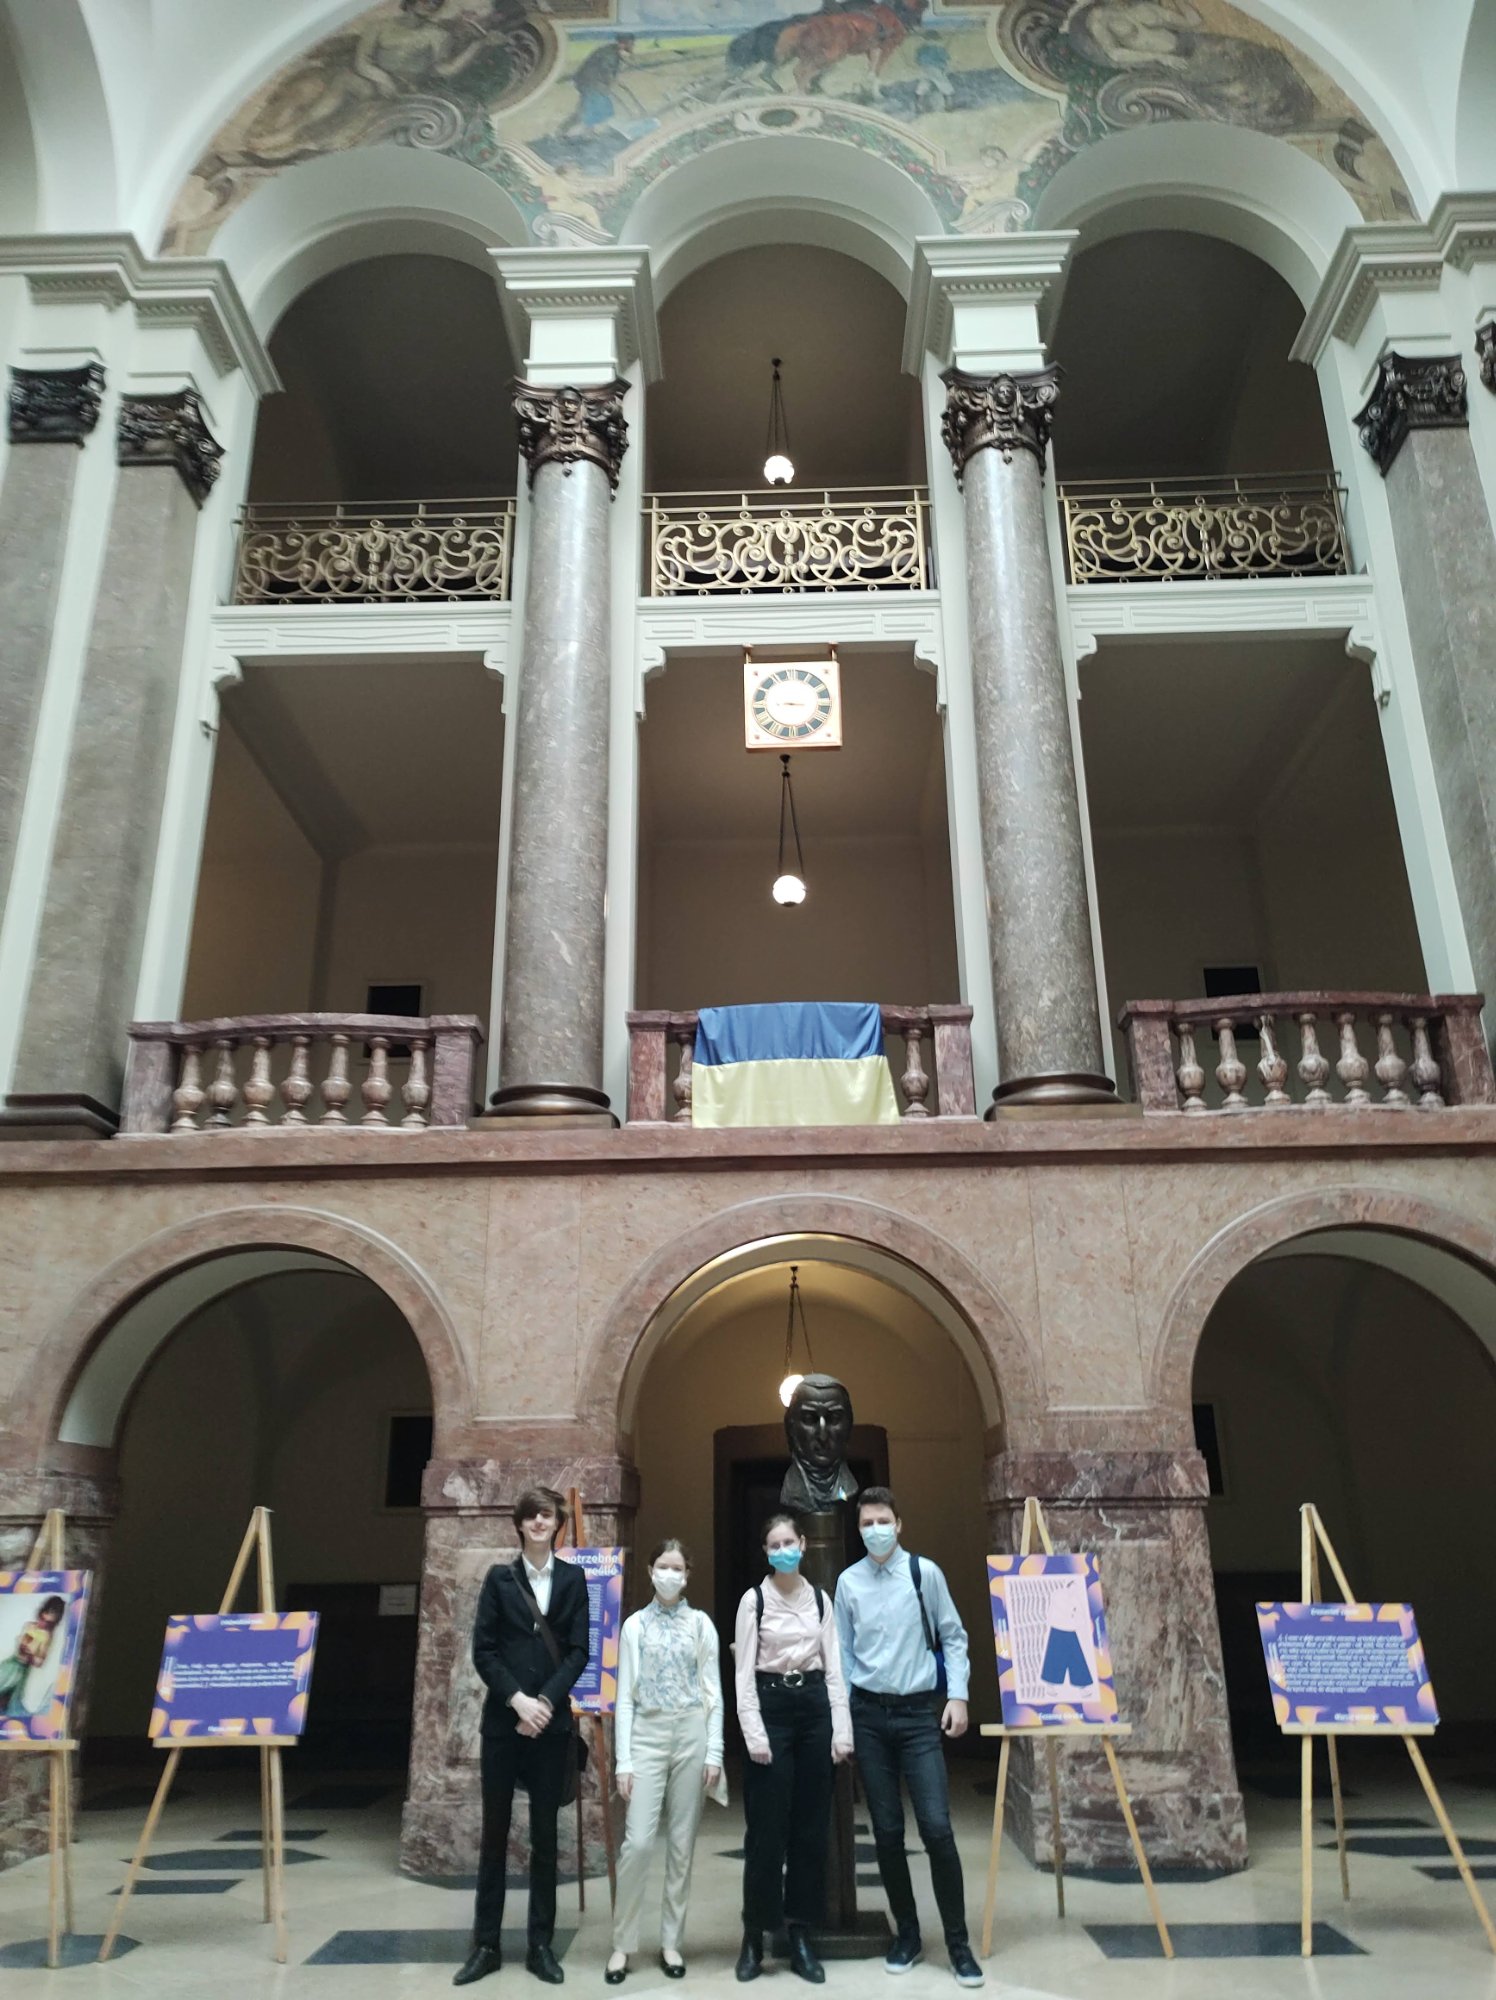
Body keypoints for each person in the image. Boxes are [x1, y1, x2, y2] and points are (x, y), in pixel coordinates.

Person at [834, 1488, 982, 1988]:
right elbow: (843, 1654)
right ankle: (909, 1934)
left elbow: (953, 1636)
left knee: (936, 1828)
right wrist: (845, 1720)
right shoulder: (848, 1582)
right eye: (866, 1523)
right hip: (869, 1717)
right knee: (887, 1832)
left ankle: (959, 1945)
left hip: (919, 1717)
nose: (875, 1530)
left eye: (883, 1521)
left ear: (899, 1524)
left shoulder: (924, 1574)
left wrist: (957, 1696)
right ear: (859, 1530)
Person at [457, 1488, 590, 1989]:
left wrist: (545, 1703)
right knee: (494, 1836)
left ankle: (540, 1945)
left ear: (557, 1524)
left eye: (547, 1515)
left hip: (550, 1726)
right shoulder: (499, 1579)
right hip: (503, 1724)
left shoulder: (573, 1579)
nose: (538, 1522)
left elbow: (579, 1650)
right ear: (519, 1524)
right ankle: (486, 1945)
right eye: (531, 1515)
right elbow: (484, 1650)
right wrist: (518, 1701)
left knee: (545, 1839)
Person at [734, 1513, 853, 1986]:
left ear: (803, 1545)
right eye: (774, 1544)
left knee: (810, 1829)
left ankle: (800, 1931)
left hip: (815, 1709)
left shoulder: (820, 1598)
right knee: (766, 1830)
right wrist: (755, 1733)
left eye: (789, 1542)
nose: (783, 1550)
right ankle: (754, 1934)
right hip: (772, 1707)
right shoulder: (755, 1600)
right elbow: (743, 1673)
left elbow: (835, 1668)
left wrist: (841, 1730)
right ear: (766, 1552)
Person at [605, 1541, 725, 1985]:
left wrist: (714, 1749)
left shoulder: (701, 1624)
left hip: (692, 1730)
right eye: (662, 1566)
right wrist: (624, 1760)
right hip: (647, 1734)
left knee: (681, 1844)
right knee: (637, 1843)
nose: (670, 1574)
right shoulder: (634, 1625)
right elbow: (625, 1697)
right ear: (650, 1571)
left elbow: (713, 1691)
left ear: (687, 1574)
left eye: (677, 1568)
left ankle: (671, 1940)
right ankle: (623, 1943)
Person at [0, 1596, 64, 1714]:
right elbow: (20, 1647)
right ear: (40, 1613)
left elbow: (39, 1662)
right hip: (12, 1663)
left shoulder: (46, 1637)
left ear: (53, 1624)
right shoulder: (30, 1626)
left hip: (23, 1670)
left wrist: (31, 1655)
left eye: (48, 1623)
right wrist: (22, 1646)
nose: (43, 1624)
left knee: (10, 1699)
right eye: (42, 1619)